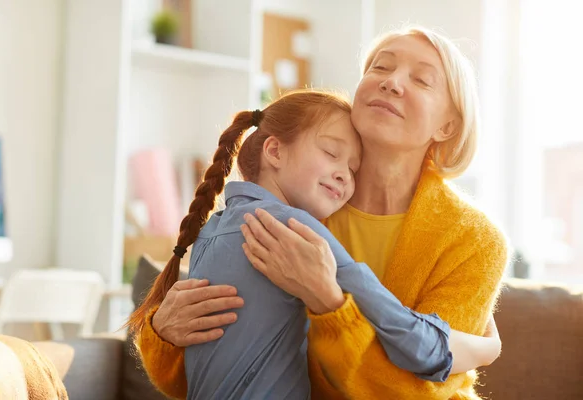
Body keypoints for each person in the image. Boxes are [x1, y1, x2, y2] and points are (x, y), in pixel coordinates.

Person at [133, 25, 508, 400]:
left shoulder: (475, 241)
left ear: (447, 126)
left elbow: (418, 391)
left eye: (422, 80)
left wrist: (330, 305)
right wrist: (164, 334)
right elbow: (216, 369)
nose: (392, 82)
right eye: (380, 68)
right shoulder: (299, 202)